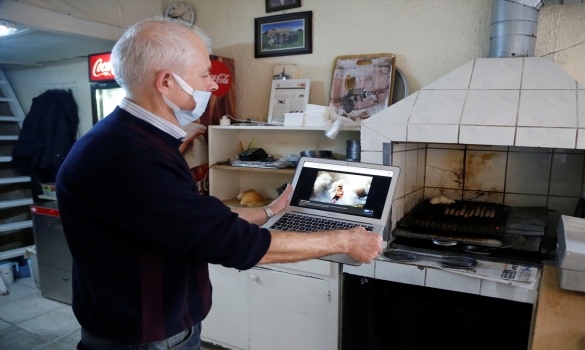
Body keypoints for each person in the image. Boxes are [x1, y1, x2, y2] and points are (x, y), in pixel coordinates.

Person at [56, 17, 382, 350]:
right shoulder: (132, 156)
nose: (213, 85)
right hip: (144, 339)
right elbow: (233, 244)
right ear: (166, 82)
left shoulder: (131, 139)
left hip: (148, 328)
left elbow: (195, 219)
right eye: (203, 74)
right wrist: (345, 239)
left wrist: (270, 210)